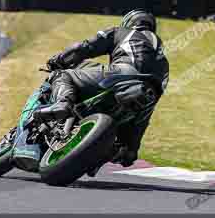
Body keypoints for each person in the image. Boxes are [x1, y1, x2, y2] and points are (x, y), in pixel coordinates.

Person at [34, 9, 169, 167]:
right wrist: (132, 147)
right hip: (144, 101)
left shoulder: (123, 32)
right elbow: (146, 113)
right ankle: (120, 150)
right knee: (127, 147)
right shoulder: (164, 62)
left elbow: (85, 47)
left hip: (121, 74)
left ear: (129, 22)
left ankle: (62, 103)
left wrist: (58, 60)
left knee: (63, 75)